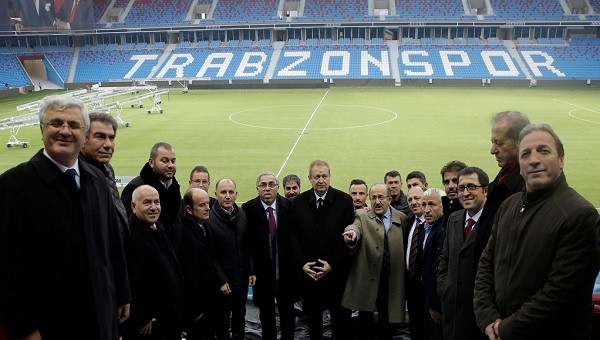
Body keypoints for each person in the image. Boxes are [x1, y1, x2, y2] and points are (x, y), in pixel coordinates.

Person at [0, 94, 130, 339]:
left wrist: (122, 293)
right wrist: (25, 328)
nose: (65, 131)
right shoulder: (13, 185)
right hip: (51, 324)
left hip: (101, 318)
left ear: (84, 134)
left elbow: (112, 244)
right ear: (41, 130)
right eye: (56, 123)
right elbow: (7, 267)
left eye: (73, 125)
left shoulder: (97, 180)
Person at [474, 124, 600, 340]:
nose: (533, 160)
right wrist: (487, 317)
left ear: (561, 159)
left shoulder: (579, 214)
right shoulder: (508, 206)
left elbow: (560, 293)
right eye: (526, 154)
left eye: (543, 151)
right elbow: (486, 263)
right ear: (520, 166)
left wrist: (505, 329)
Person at [289, 160, 354, 340]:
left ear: (329, 177)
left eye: (324, 176)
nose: (321, 180)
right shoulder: (298, 203)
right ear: (309, 178)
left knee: (340, 323)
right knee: (313, 324)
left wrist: (332, 264)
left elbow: (347, 238)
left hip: (336, 275)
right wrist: (303, 264)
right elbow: (293, 237)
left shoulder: (344, 201)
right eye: (316, 176)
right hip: (310, 276)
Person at [342, 183, 407, 340]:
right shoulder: (362, 216)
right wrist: (351, 234)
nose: (377, 202)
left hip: (390, 280)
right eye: (374, 198)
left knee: (387, 321)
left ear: (389, 199)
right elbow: (355, 227)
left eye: (381, 197)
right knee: (365, 322)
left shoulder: (401, 218)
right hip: (368, 279)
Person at [242, 172, 298, 340]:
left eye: (271, 184)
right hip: (262, 275)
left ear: (277, 187)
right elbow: (247, 244)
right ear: (257, 188)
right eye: (263, 185)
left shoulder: (289, 206)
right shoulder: (248, 209)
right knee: (266, 317)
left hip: (286, 273)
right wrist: (251, 269)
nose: (267, 188)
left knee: (288, 314)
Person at [124, 185, 184, 340]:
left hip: (168, 318)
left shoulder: (158, 227)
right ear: (133, 206)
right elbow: (132, 281)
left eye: (156, 202)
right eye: (147, 203)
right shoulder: (129, 236)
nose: (153, 207)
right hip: (150, 325)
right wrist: (143, 316)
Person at [437, 167, 489, 340]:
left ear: (485, 190)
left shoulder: (495, 221)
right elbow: (445, 257)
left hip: (481, 316)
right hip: (452, 314)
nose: (465, 193)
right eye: (462, 188)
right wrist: (444, 288)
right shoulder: (454, 219)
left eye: (472, 187)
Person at [474, 111, 529, 261]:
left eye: (499, 143)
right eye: (493, 142)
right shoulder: (502, 181)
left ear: (521, 142)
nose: (492, 150)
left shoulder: (527, 191)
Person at [209, 179, 255, 340]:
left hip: (241, 280)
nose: (227, 196)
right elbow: (209, 256)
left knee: (239, 317)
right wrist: (220, 280)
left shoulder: (241, 213)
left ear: (236, 194)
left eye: (230, 192)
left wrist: (250, 270)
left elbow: (246, 245)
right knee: (222, 322)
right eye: (223, 192)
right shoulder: (209, 220)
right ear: (215, 195)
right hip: (223, 284)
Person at [177, 188, 220, 340]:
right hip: (198, 308)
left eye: (208, 203)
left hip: (209, 302)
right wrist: (196, 310)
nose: (208, 207)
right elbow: (189, 275)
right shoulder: (184, 233)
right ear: (188, 209)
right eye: (202, 205)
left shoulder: (205, 226)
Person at [122, 142, 181, 248]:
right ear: (151, 162)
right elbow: (128, 228)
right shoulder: (135, 187)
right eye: (165, 161)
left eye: (173, 161)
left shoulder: (174, 188)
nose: (170, 165)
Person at [80, 111, 129, 239]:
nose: (108, 145)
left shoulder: (107, 169)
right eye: (100, 136)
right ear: (83, 139)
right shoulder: (76, 175)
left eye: (111, 138)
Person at [419, 188, 446, 340]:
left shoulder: (443, 230)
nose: (426, 210)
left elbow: (437, 269)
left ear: (442, 207)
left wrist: (434, 304)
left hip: (436, 304)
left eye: (432, 204)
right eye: (423, 205)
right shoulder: (426, 228)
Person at [405, 185, 427, 340]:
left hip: (428, 290)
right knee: (415, 329)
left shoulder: (437, 222)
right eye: (410, 199)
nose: (413, 202)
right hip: (412, 288)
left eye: (417, 198)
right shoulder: (409, 222)